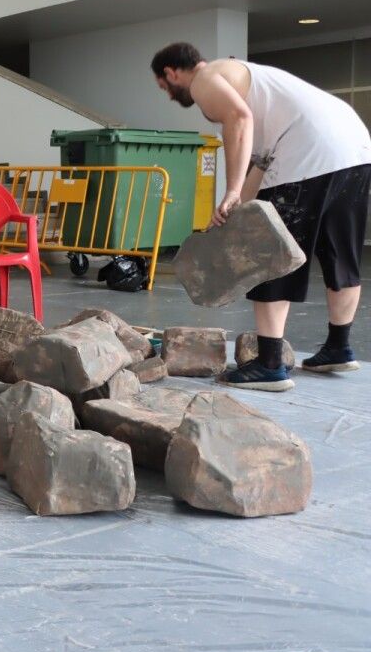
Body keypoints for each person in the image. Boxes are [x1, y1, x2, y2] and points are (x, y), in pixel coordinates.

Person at [151, 41, 371, 391]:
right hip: (354, 145)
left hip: (306, 149)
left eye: (165, 87)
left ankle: (269, 365)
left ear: (171, 72)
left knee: (268, 252)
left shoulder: (205, 78)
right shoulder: (249, 80)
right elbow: (261, 160)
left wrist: (232, 191)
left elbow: (238, 120)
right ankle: (338, 348)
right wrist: (235, 212)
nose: (170, 95)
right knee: (341, 255)